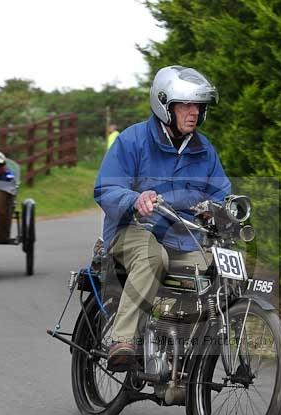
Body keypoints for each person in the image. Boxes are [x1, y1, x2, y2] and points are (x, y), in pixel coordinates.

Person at [94, 65, 231, 371]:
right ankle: (123, 339)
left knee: (211, 271)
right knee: (152, 257)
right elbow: (105, 187)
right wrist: (135, 199)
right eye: (185, 105)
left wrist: (218, 208)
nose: (193, 112)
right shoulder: (132, 140)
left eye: (198, 106)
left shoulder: (204, 150)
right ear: (164, 105)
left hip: (182, 237)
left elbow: (222, 191)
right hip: (131, 230)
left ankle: (184, 354)